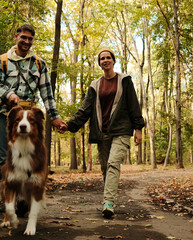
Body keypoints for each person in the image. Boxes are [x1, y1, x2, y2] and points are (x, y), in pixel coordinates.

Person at [61, 48, 145, 218]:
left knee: (114, 163)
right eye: (102, 58)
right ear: (99, 63)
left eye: (108, 58)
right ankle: (109, 200)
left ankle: (108, 203)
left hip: (121, 130)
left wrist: (138, 128)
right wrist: (69, 125)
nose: (105, 60)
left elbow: (134, 105)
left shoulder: (125, 80)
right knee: (106, 167)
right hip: (102, 132)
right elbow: (84, 110)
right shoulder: (95, 85)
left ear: (113, 61)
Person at [0, 23, 66, 182]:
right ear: (16, 37)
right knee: (4, 157)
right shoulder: (1, 61)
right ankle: (6, 198)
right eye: (23, 37)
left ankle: (24, 198)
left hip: (29, 120)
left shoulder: (39, 64)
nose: (26, 41)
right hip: (6, 116)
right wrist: (9, 94)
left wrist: (54, 117)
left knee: (28, 157)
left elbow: (47, 93)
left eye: (30, 39)